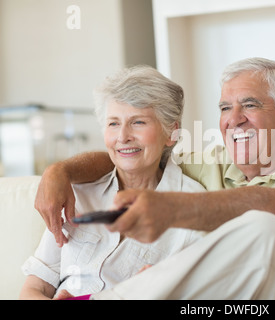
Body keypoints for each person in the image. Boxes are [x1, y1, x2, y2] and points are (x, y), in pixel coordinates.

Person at [34, 57, 275, 300]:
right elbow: (133, 156)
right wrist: (59, 172)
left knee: (266, 228)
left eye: (249, 105)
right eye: (225, 108)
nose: (234, 120)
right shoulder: (208, 166)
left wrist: (172, 209)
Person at [20, 65, 206, 299]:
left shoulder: (192, 207)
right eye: (113, 123)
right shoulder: (78, 192)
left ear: (171, 133)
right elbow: (35, 288)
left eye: (138, 122)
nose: (123, 136)